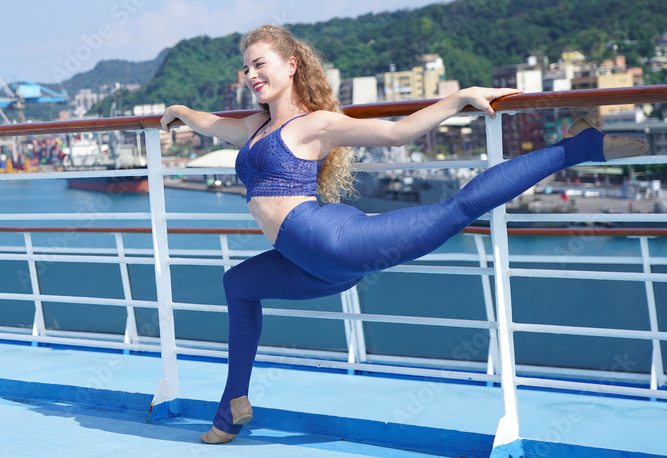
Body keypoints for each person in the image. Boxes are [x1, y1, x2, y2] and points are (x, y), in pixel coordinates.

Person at [158, 24, 649, 445]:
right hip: (312, 265)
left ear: (290, 66)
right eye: (246, 69)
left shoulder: (316, 125)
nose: (251, 76)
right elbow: (209, 124)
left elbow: (397, 134)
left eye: (259, 64)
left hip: (335, 241)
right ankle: (233, 406)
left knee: (457, 208)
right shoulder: (254, 127)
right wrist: (180, 110)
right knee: (237, 285)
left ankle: (577, 147)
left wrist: (456, 99)